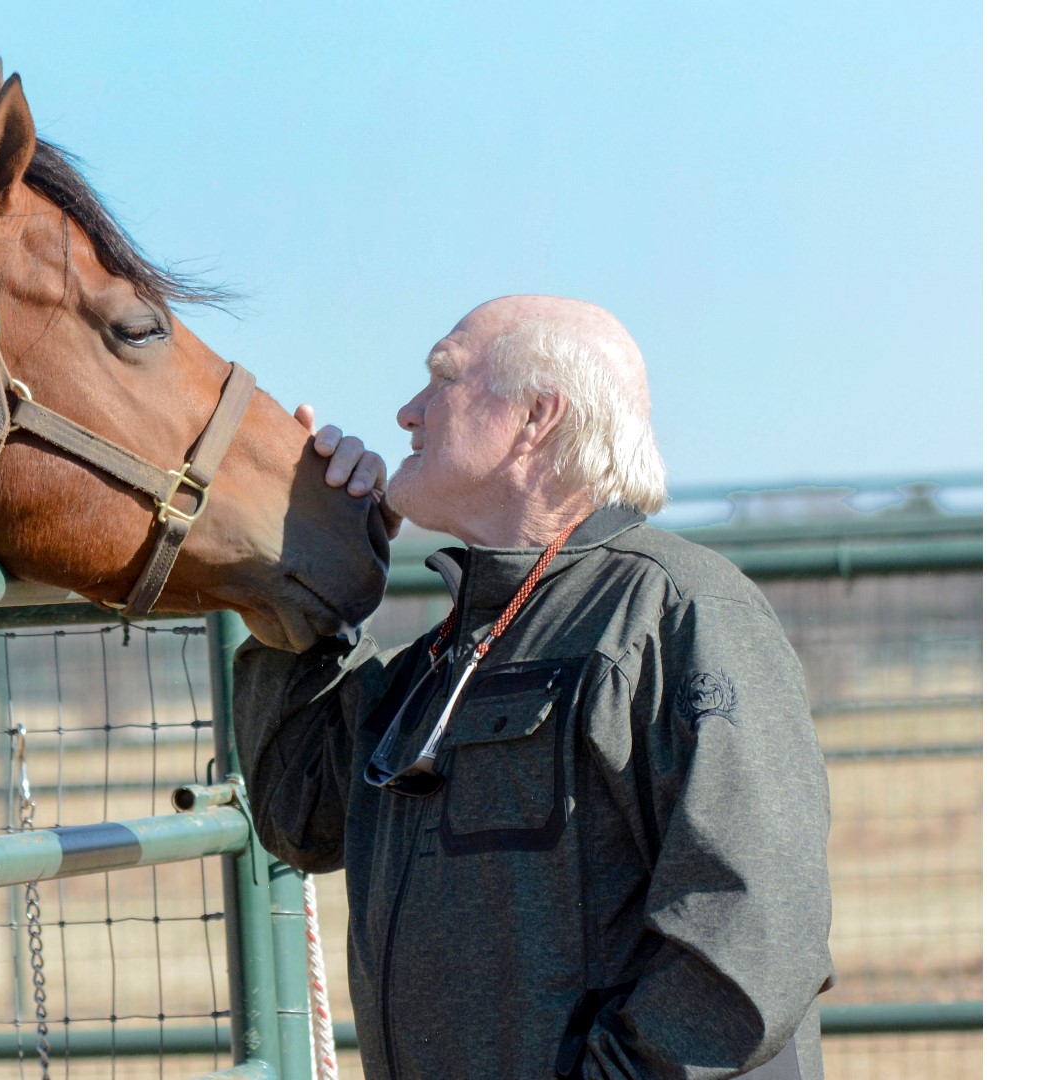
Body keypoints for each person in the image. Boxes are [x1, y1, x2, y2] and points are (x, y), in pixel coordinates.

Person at [244, 295, 834, 1079]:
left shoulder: (679, 612)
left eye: (440, 380)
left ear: (536, 418)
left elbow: (752, 933)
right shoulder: (446, 654)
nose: (406, 413)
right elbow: (301, 817)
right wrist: (302, 553)